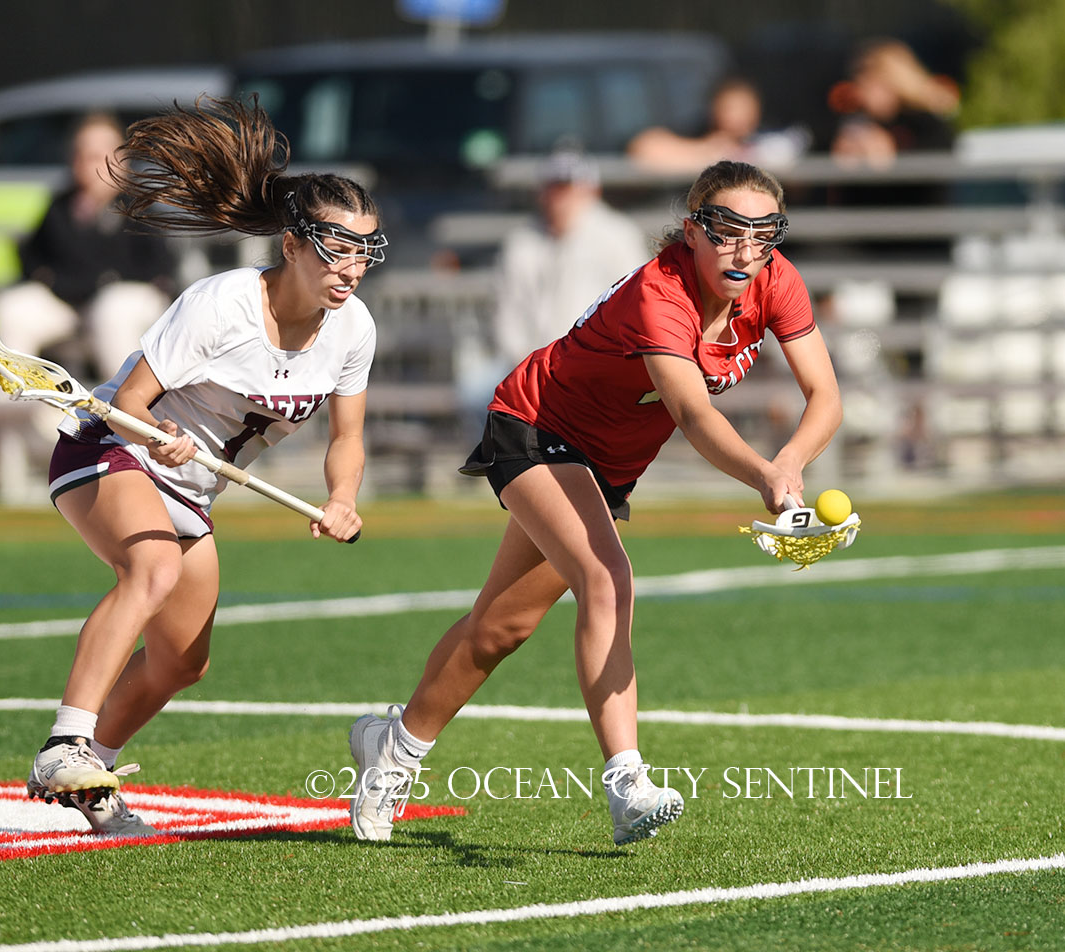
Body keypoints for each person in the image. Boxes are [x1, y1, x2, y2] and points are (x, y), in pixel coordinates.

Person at [348, 160, 842, 847]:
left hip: (606, 466)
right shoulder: (659, 294)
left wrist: (790, 463)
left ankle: (391, 748)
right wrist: (763, 474)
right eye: (727, 231)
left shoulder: (776, 280)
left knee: (500, 629)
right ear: (692, 232)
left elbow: (825, 395)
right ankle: (627, 783)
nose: (744, 251)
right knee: (608, 578)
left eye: (763, 235)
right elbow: (692, 414)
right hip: (535, 425)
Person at [26, 96, 382, 836]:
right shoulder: (223, 304)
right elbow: (130, 400)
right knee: (151, 570)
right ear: (292, 244)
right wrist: (159, 433)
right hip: (113, 446)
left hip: (191, 485)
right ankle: (64, 744)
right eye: (335, 247)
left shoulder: (353, 329)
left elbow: (347, 436)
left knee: (182, 663)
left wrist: (343, 496)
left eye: (363, 251)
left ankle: (93, 777)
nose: (350, 267)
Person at [459, 150, 649, 440]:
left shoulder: (617, 236)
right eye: (555, 188)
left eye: (569, 188)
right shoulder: (522, 241)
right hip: (532, 364)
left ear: (590, 191)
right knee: (475, 390)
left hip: (599, 363)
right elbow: (507, 317)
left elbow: (638, 305)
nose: (561, 197)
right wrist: (527, 365)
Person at [0, 112, 177, 382]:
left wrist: (98, 280)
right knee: (13, 308)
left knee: (113, 310)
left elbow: (157, 270)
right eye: (82, 155)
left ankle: (125, 399)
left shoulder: (138, 206)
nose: (89, 164)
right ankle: (15, 398)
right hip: (69, 302)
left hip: (122, 304)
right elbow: (32, 260)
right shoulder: (60, 206)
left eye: (99, 155)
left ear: (122, 160)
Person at [627, 78, 808, 174]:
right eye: (731, 107)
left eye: (744, 108)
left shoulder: (766, 141)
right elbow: (643, 147)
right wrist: (706, 151)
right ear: (714, 109)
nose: (737, 116)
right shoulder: (697, 133)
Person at [828, 38, 958, 170]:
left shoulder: (927, 125)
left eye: (871, 84)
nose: (863, 93)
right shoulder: (857, 122)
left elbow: (935, 169)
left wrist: (889, 157)